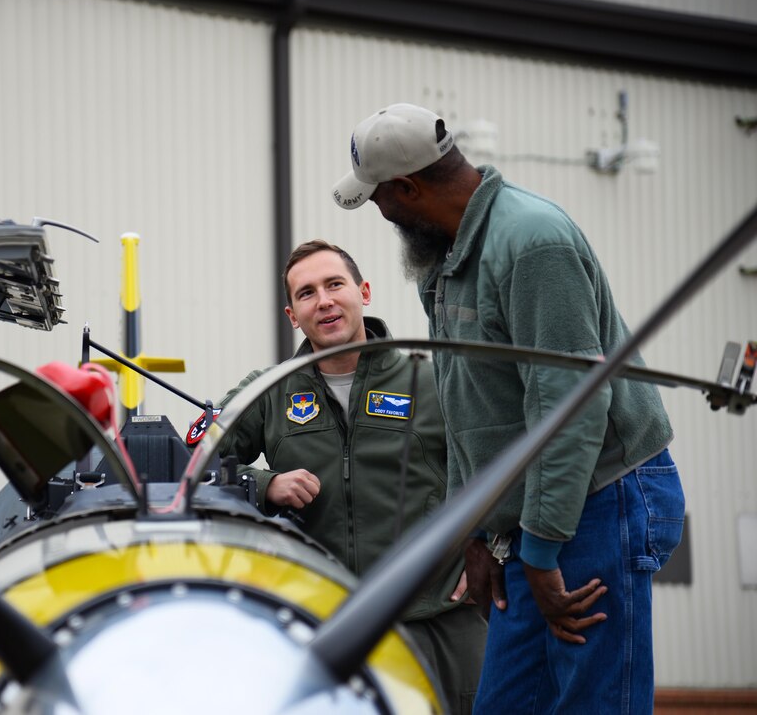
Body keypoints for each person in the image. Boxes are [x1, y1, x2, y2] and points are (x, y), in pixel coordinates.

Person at [331, 102, 684, 714]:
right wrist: (479, 529)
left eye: (380, 200)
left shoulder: (531, 242)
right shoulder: (440, 262)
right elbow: (470, 406)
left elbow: (571, 407)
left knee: (592, 701)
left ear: (408, 188)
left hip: (602, 497)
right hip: (530, 519)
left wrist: (542, 552)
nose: (381, 214)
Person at [215, 240, 487, 714]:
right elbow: (191, 467)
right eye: (306, 293)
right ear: (292, 314)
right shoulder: (269, 392)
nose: (323, 300)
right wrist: (263, 485)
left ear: (363, 291)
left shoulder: (434, 379)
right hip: (323, 631)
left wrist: (487, 545)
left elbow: (495, 465)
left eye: (334, 284)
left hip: (436, 623)